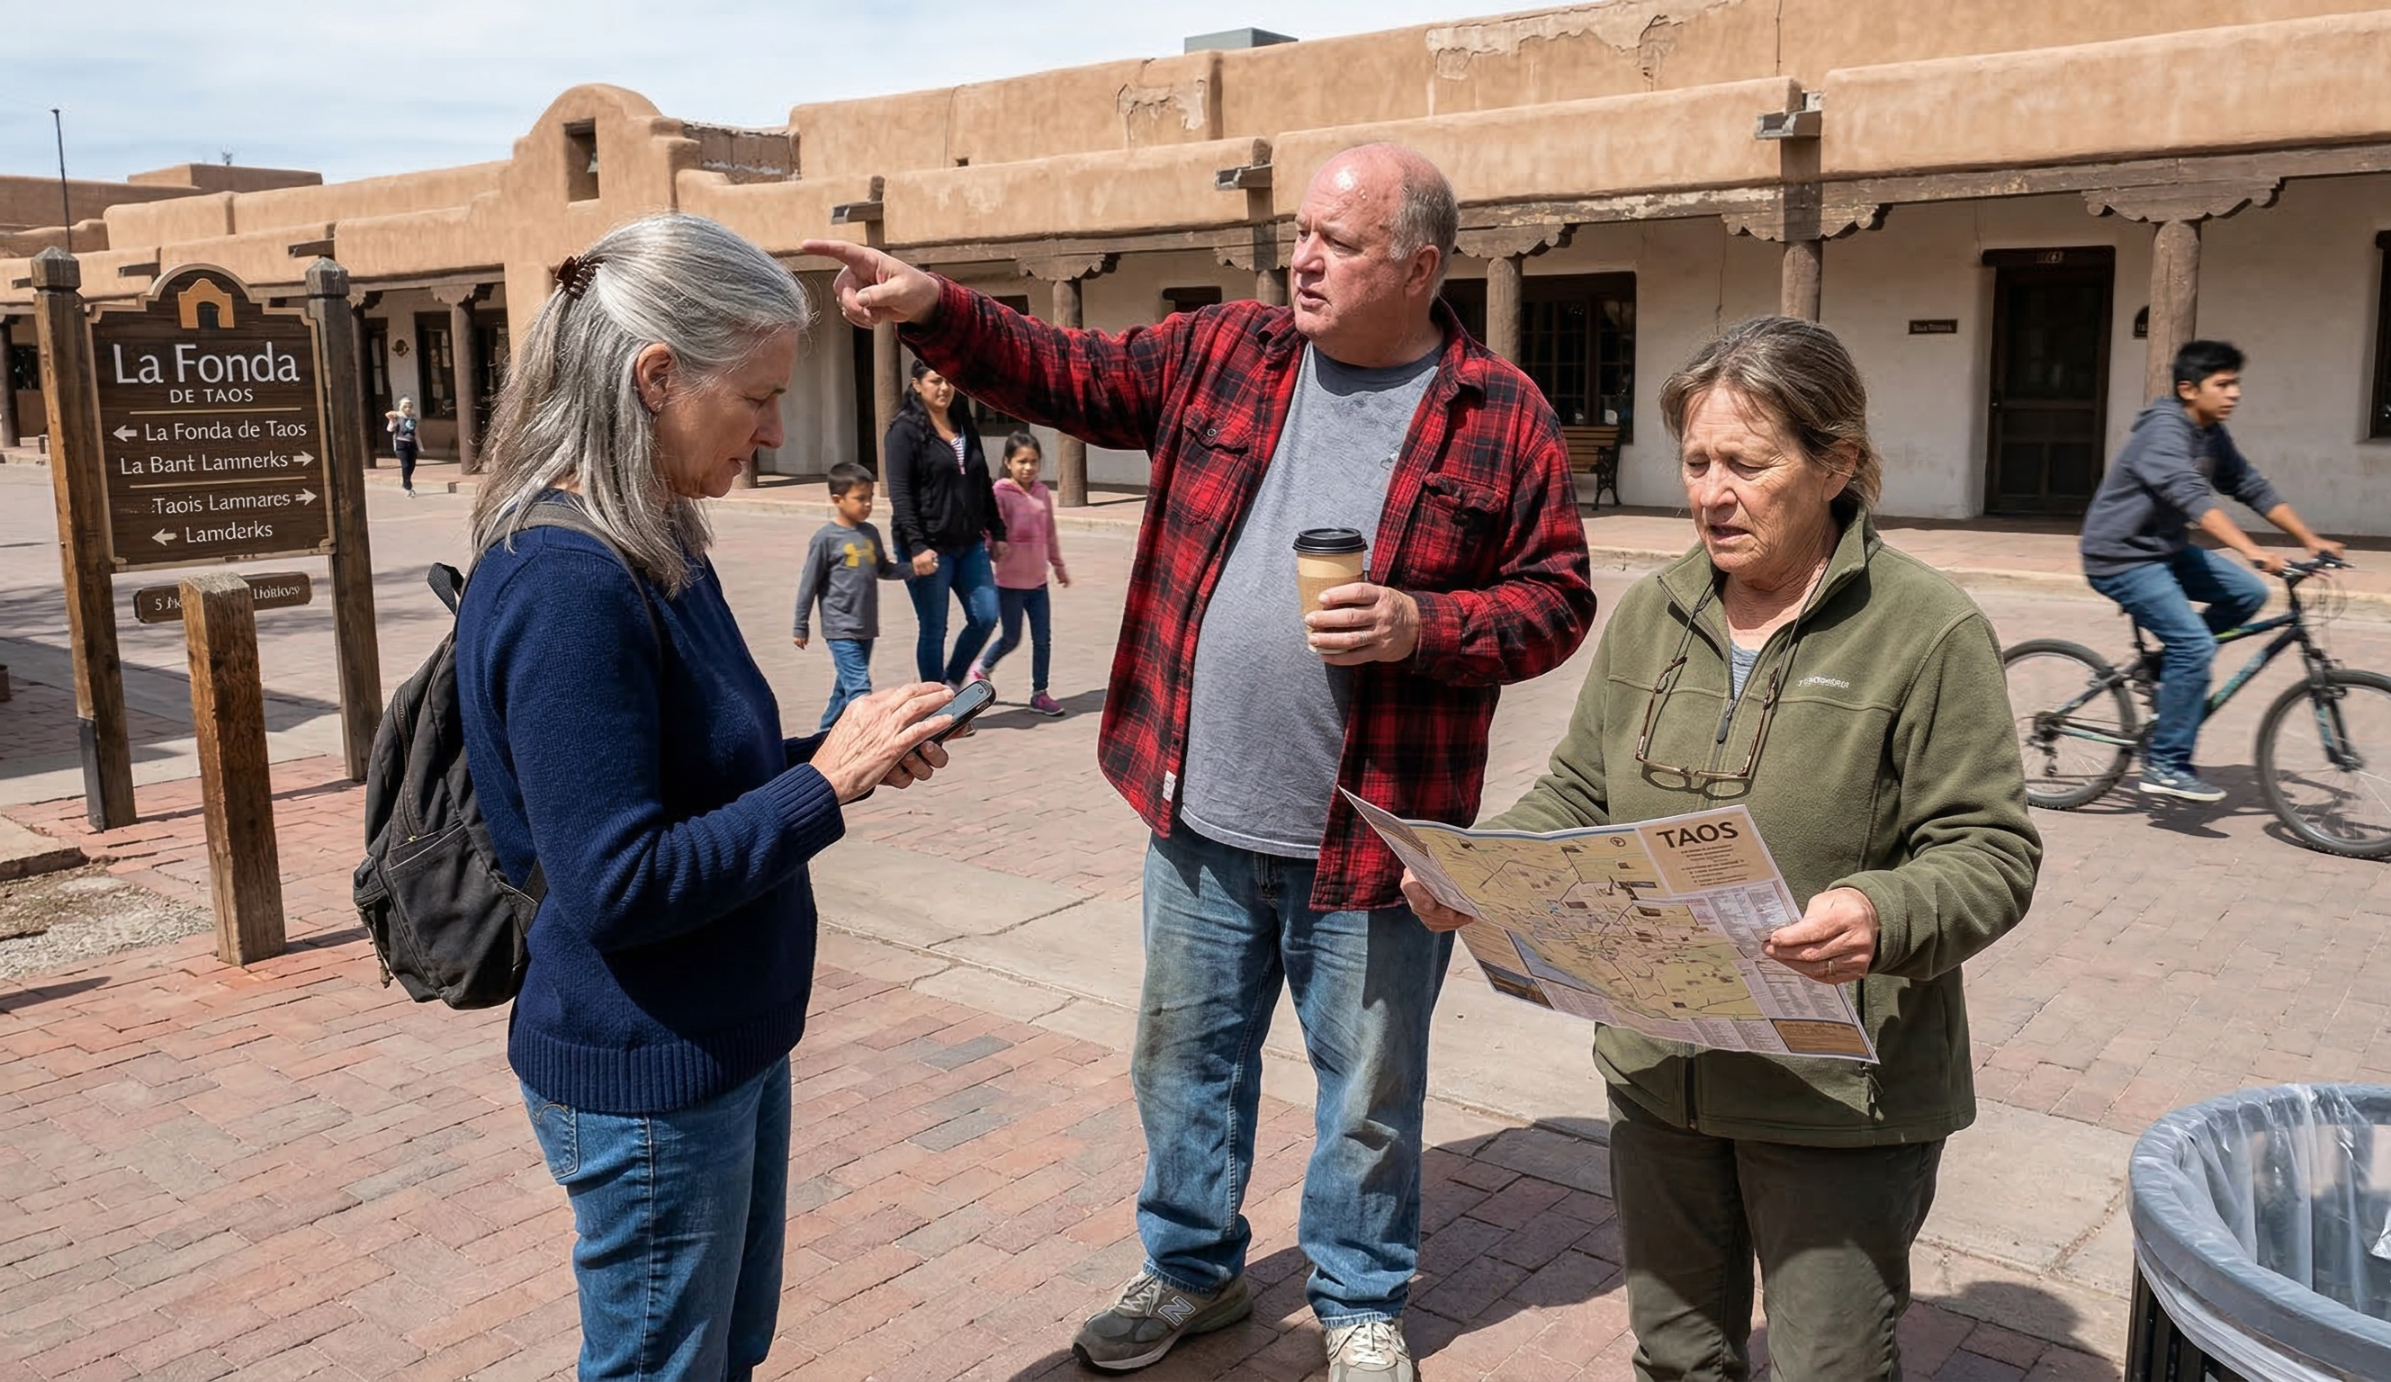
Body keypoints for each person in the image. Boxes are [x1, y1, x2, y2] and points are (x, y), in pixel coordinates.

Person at [804, 141, 1596, 1382]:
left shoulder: (1500, 412)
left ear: (1420, 264)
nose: (1304, 256)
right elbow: (1065, 370)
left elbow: (1557, 598)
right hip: (1197, 811)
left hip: (1375, 841)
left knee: (1372, 1090)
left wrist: (1422, 624)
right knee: (1182, 1060)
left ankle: (1360, 1296)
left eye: (1337, 239)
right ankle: (1192, 1267)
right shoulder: (1229, 350)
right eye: (1302, 232)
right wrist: (939, 309)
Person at [1409, 316, 2042, 1382]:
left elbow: (1989, 848)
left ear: (1837, 462)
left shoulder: (1926, 627)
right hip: (1663, 1072)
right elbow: (1578, 789)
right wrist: (1475, 868)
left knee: (1826, 1367)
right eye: (1698, 461)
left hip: (1837, 1099)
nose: (1712, 492)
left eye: (1747, 464)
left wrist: (1885, 912)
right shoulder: (1656, 611)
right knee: (1676, 1354)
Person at [455, 213, 956, 1382]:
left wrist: (845, 751)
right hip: (646, 1068)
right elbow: (618, 878)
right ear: (656, 376)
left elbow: (690, 773)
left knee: (719, 1348)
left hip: (718, 1040)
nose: (777, 430)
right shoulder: (570, 579)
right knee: (660, 1363)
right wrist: (822, 785)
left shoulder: (653, 535)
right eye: (758, 398)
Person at [2078, 339, 2346, 803]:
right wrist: (2252, 550)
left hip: (2163, 549)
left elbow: (2248, 484)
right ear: (2188, 389)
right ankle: (2165, 763)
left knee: (2247, 595)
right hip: (2119, 556)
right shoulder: (2163, 432)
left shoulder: (2209, 431)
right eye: (2222, 384)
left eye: (2236, 383)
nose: (2234, 393)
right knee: (2196, 644)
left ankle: (2164, 666)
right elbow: (2193, 499)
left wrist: (2309, 538)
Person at [883, 358, 1006, 688]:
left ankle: (951, 684)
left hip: (969, 543)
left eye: (949, 380)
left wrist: (997, 530)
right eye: (935, 380)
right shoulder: (904, 431)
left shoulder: (964, 424)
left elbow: (982, 481)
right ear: (917, 385)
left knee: (986, 616)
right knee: (934, 627)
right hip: (928, 547)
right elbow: (900, 494)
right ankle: (933, 705)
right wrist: (917, 547)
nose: (944, 387)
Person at [794, 461, 906, 730]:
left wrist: (914, 570)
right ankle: (867, 739)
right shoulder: (826, 538)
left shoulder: (870, 533)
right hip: (839, 628)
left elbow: (883, 569)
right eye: (860, 499)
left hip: (866, 626)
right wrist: (801, 624)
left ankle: (823, 734)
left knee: (844, 690)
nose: (867, 504)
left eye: (869, 498)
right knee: (859, 689)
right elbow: (808, 583)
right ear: (838, 499)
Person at [970, 430, 1070, 717]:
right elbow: (989, 529)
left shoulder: (1041, 492)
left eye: (1034, 461)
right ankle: (983, 668)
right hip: (1009, 583)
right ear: (1008, 462)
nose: (1028, 467)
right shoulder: (1000, 492)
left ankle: (1040, 693)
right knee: (1011, 638)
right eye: (1021, 461)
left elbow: (1049, 532)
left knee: (1043, 639)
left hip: (1038, 583)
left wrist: (1058, 566)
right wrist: (992, 547)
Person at [386, 396, 419, 495]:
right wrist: (393, 420)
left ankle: (406, 480)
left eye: (409, 407)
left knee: (412, 465)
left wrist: (420, 446)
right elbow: (390, 429)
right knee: (405, 465)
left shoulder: (413, 418)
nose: (408, 409)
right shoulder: (397, 417)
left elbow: (417, 433)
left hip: (412, 443)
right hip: (401, 443)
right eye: (405, 407)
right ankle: (408, 487)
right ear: (402, 407)